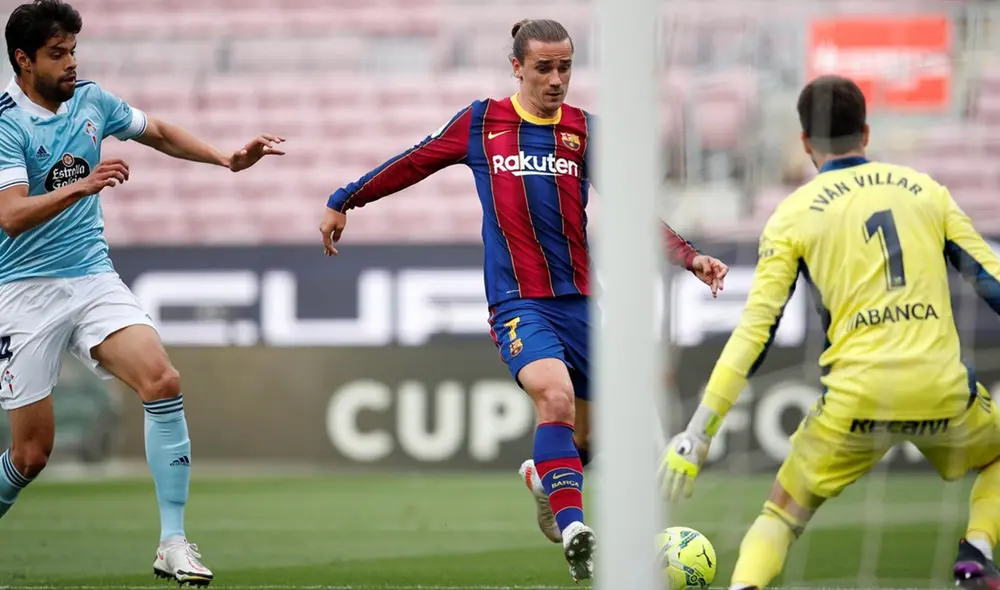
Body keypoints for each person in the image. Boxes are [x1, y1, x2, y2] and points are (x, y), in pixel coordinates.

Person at [320, 17, 728, 582]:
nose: (557, 79)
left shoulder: (586, 130)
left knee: (595, 435)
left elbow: (633, 208)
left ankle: (546, 480)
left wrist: (689, 257)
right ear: (517, 66)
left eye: (565, 66)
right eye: (544, 67)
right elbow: (414, 160)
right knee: (554, 399)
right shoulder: (481, 121)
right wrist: (346, 198)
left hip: (582, 303)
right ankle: (577, 532)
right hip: (518, 303)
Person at [660, 74, 1000, 590]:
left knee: (780, 515)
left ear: (804, 142)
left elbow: (756, 333)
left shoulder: (793, 214)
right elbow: (991, 283)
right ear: (865, 131)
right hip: (941, 390)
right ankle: (976, 551)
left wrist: (698, 432)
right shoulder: (927, 192)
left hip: (853, 400)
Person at [0, 1, 285, 585]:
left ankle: (172, 541)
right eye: (58, 55)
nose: (72, 64)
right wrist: (84, 185)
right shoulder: (5, 122)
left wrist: (225, 158)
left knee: (163, 380)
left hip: (91, 275)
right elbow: (10, 216)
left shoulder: (91, 100)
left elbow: (156, 132)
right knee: (31, 456)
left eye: (74, 50)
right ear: (24, 60)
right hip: (22, 291)